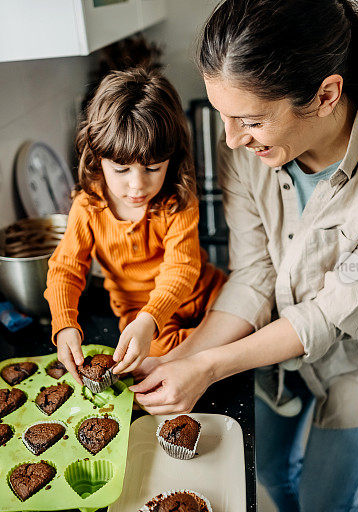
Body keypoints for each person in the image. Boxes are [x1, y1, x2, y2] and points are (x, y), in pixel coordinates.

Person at [128, 1, 358, 512]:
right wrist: (182, 357)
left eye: (251, 120)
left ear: (325, 95)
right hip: (275, 353)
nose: (232, 139)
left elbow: (327, 315)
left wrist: (209, 367)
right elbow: (255, 274)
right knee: (275, 471)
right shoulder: (244, 151)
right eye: (224, 116)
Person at [45, 68, 227, 386]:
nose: (137, 185)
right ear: (96, 158)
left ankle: (215, 351)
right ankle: (212, 352)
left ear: (172, 158)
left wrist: (153, 317)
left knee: (241, 308)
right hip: (140, 317)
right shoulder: (88, 206)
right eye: (121, 169)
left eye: (153, 168)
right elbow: (65, 268)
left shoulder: (177, 199)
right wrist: (65, 324)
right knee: (157, 354)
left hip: (199, 293)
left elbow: (182, 269)